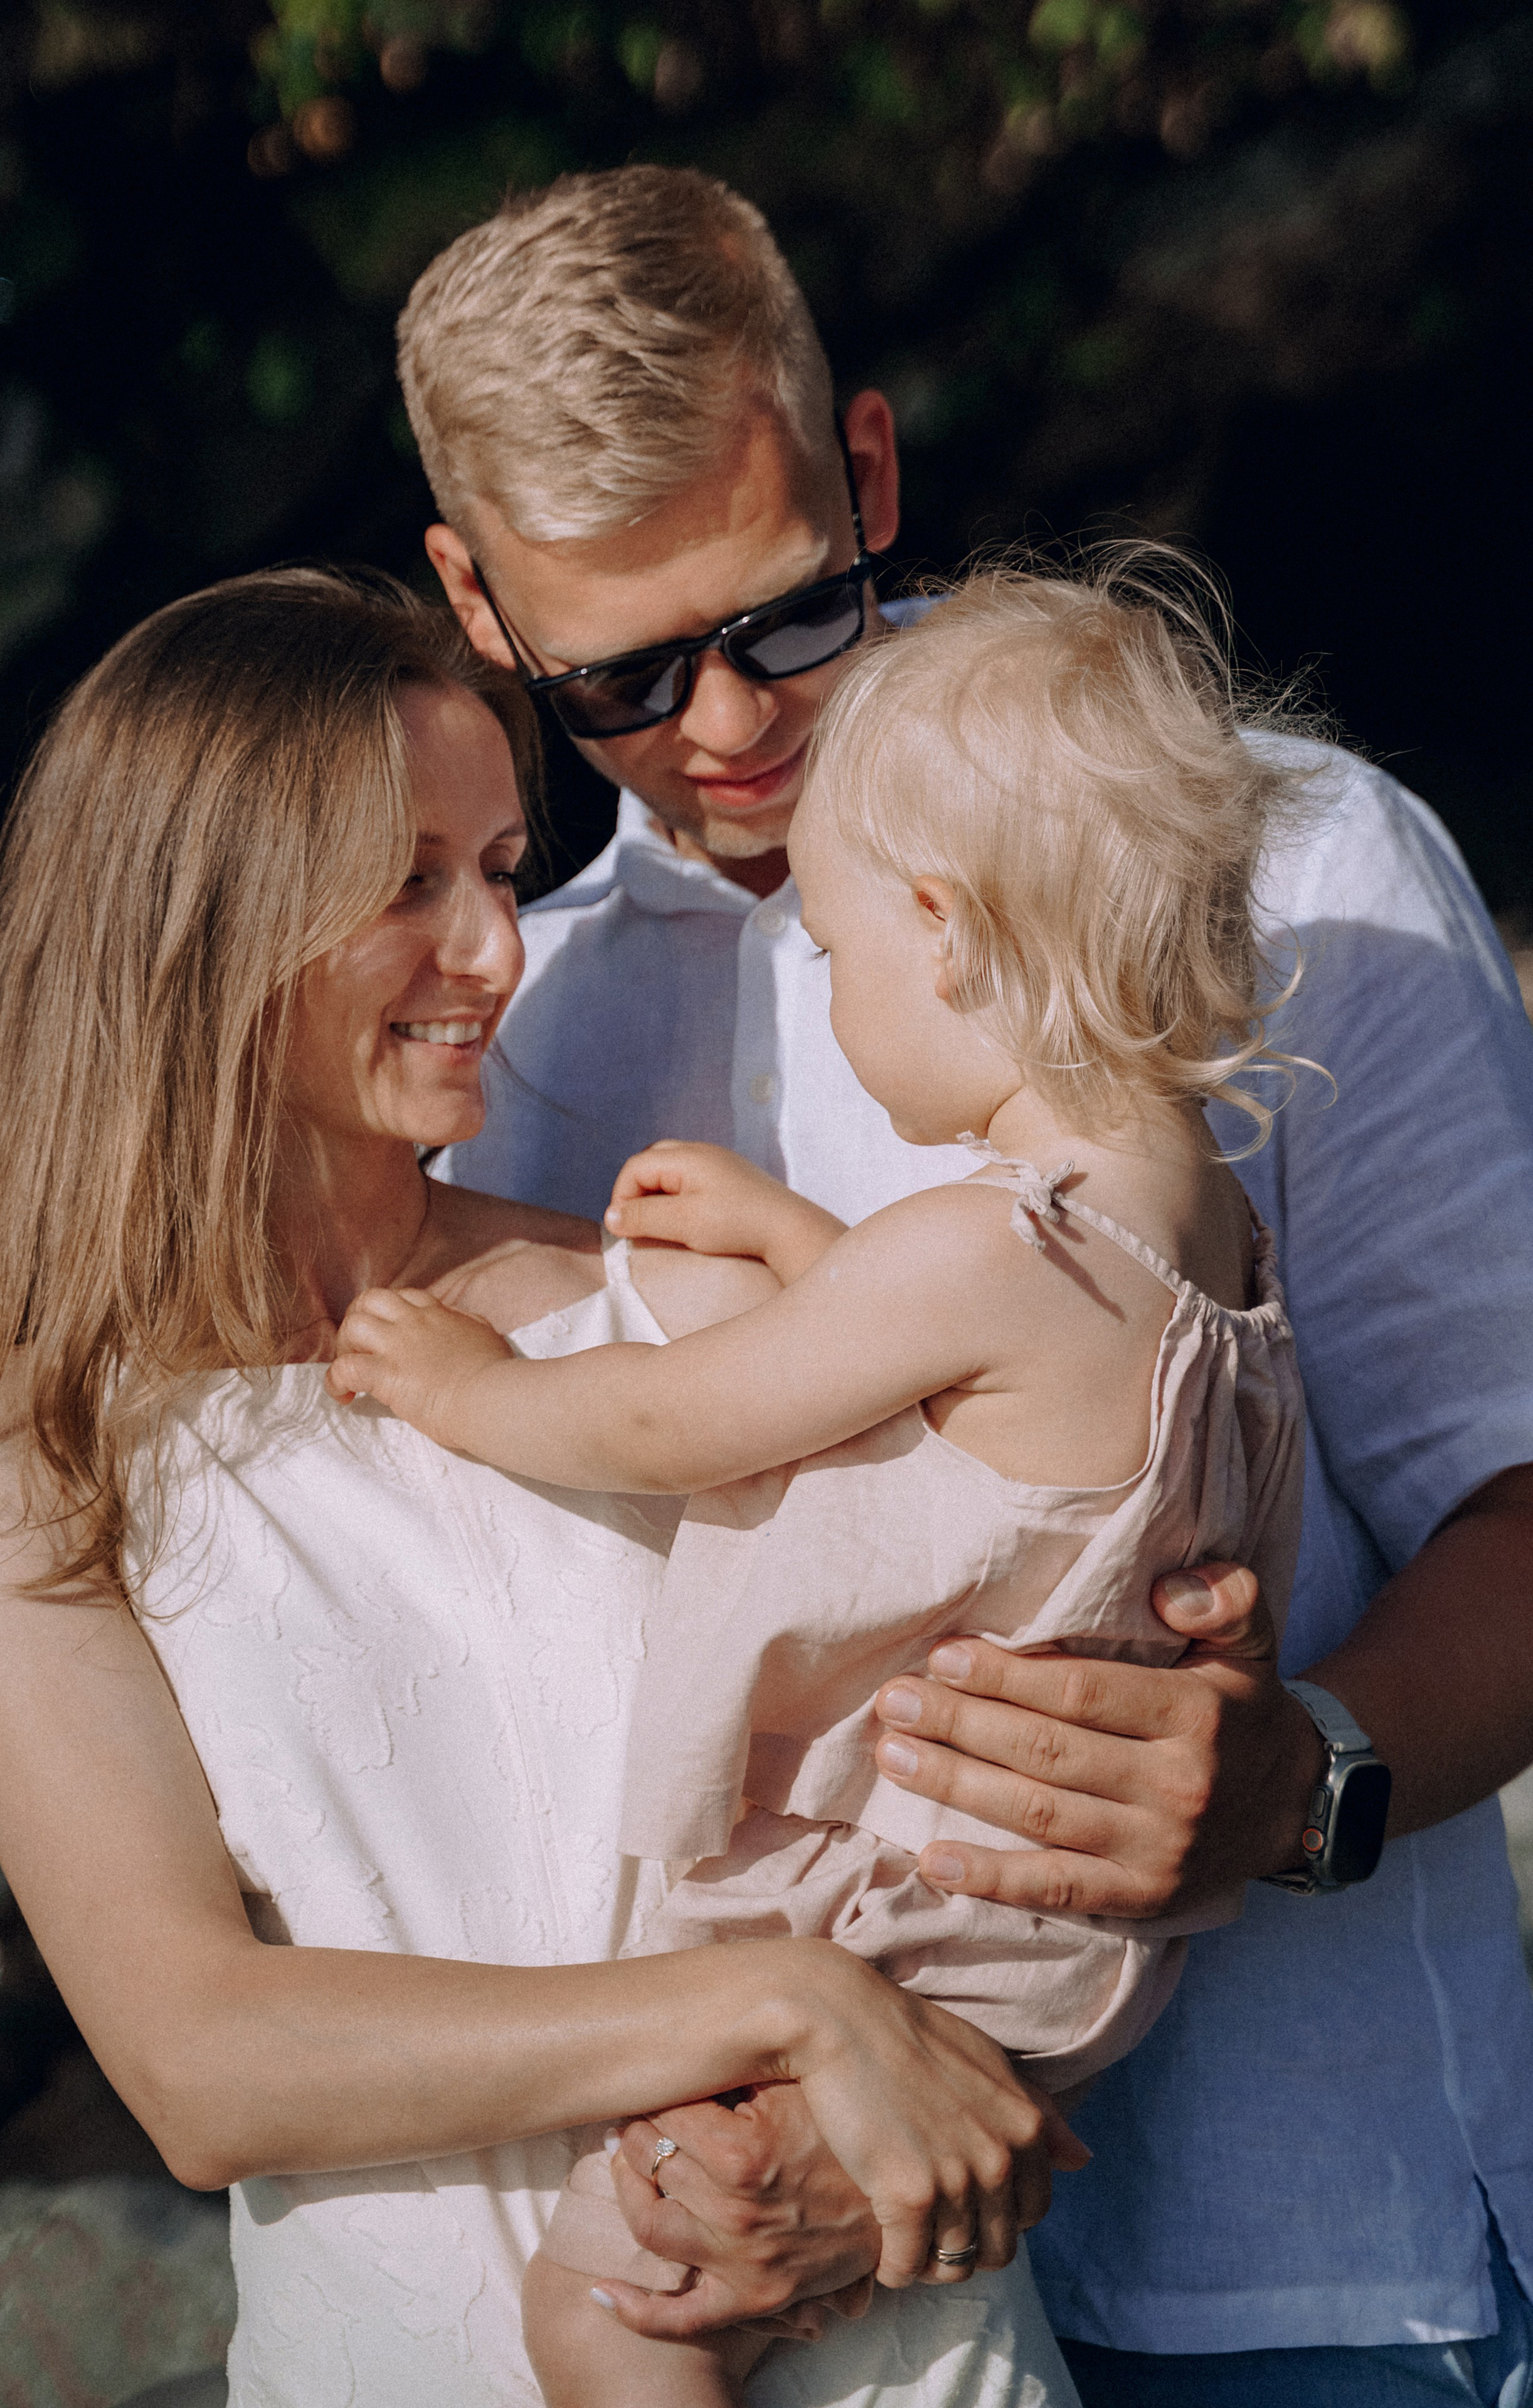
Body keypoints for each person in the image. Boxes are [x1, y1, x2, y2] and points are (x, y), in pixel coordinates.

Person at [398, 163, 1533, 2401]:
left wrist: (1307, 1770)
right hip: (824, 2290)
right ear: (477, 606)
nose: (724, 723)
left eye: (790, 615)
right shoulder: (501, 1021)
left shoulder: (1279, 858)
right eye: (622, 673)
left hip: (1290, 2265)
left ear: (873, 473)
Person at [0, 567, 1088, 2407]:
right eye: (410, 884)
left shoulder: (685, 1311)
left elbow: (1008, 1771)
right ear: (198, 926)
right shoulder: (6, 1450)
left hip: (894, 2354)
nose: (494, 951)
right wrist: (788, 2004)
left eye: (499, 867)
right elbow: (203, 2065)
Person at [331, 561, 1309, 2408]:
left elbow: (673, 1423)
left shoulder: (979, 1251)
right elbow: (1014, 1430)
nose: (843, 998)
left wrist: (462, 1386)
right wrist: (801, 1237)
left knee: (616, 2298)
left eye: (842, 956)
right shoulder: (1206, 1234)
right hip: (1058, 1960)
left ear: (942, 934)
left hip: (914, 1942)